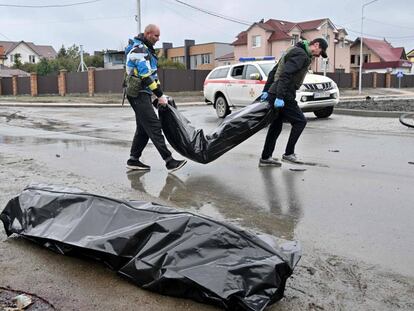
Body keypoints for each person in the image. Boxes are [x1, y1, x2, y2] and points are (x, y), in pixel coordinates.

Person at [125, 24, 187, 172]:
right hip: (137, 94)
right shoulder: (139, 50)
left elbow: (153, 76)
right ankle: (169, 161)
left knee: (143, 129)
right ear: (147, 34)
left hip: (143, 93)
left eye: (159, 36)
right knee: (153, 125)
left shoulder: (148, 51)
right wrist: (159, 95)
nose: (158, 39)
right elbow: (145, 76)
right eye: (156, 36)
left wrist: (160, 95)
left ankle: (133, 160)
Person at [259, 38, 328, 167]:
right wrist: (279, 96)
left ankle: (265, 157)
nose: (318, 55)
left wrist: (267, 90)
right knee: (300, 121)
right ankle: (288, 154)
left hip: (277, 91)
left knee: (276, 126)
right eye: (320, 51)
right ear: (316, 45)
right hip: (284, 93)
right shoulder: (301, 55)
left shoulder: (292, 50)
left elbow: (274, 71)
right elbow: (285, 75)